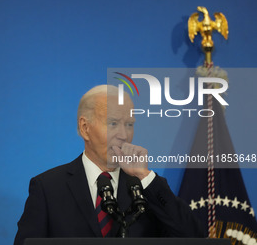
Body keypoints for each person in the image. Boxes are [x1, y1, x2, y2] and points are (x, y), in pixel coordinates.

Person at [14, 85, 204, 245]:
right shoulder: (48, 188)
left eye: (129, 124)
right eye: (113, 123)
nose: (123, 134)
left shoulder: (147, 187)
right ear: (85, 127)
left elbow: (193, 237)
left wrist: (145, 177)